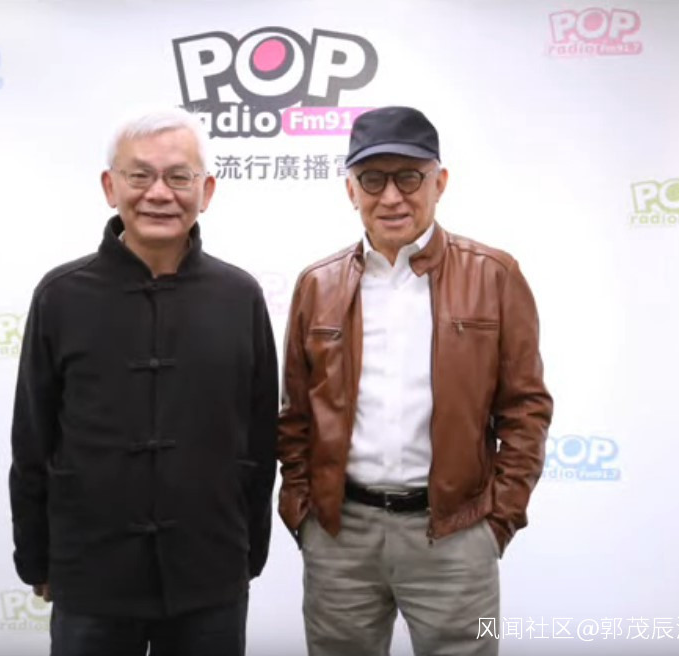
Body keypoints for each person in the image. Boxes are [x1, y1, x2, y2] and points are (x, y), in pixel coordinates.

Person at [277, 106, 553, 656]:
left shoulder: (494, 275)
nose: (391, 197)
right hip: (339, 537)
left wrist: (496, 521)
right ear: (350, 189)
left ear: (439, 182)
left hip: (454, 535)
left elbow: (525, 407)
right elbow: (296, 414)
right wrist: (304, 512)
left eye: (409, 177)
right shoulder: (317, 283)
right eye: (372, 180)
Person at [9, 107, 278, 656]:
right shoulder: (61, 295)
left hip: (210, 572)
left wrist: (248, 554)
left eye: (179, 177)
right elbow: (32, 439)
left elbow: (260, 441)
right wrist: (35, 558)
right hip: (91, 575)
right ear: (111, 186)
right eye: (140, 175)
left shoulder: (240, 296)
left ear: (206, 191)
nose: (159, 193)